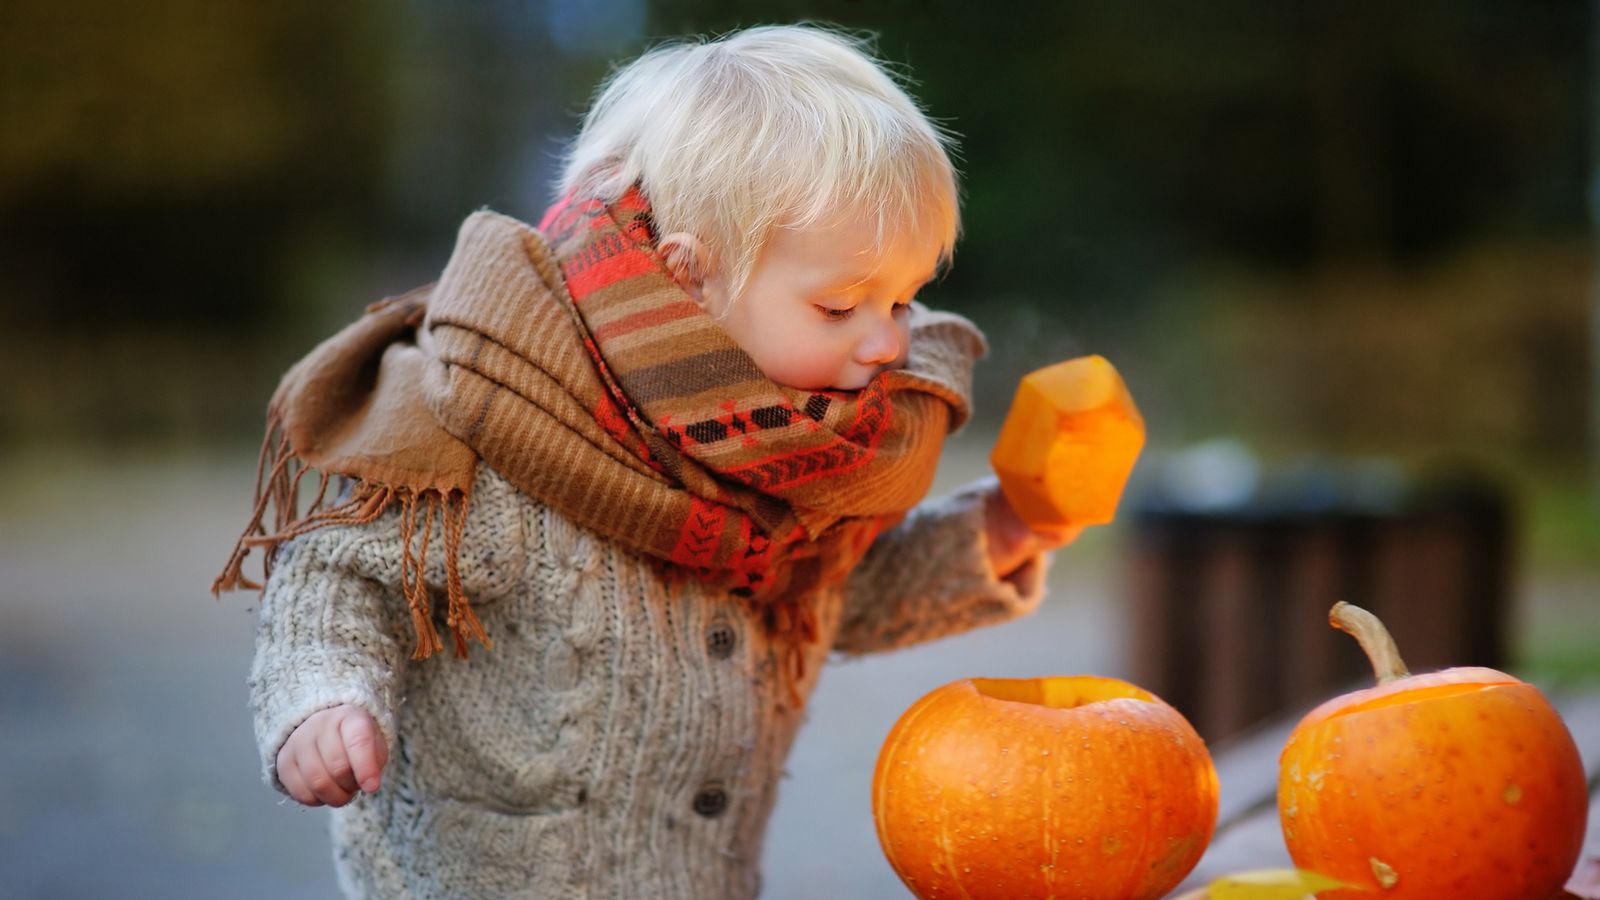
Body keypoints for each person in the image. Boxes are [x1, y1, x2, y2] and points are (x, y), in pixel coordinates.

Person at [216, 23, 1073, 899]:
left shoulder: (791, 471)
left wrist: (997, 535)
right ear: (690, 278)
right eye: (841, 305)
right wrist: (323, 701)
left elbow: (829, 598)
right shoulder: (510, 433)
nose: (890, 342)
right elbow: (336, 575)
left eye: (903, 298)